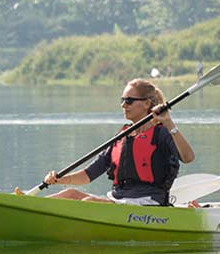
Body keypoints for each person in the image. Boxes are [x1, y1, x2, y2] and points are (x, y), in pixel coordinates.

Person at [35, 79, 195, 205]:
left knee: (89, 203)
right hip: (119, 200)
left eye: (129, 100)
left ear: (147, 103)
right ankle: (31, 205)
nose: (123, 105)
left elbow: (188, 157)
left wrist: (169, 123)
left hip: (148, 202)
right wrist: (59, 179)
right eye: (122, 100)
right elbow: (88, 175)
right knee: (69, 194)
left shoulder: (162, 133)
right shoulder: (121, 137)